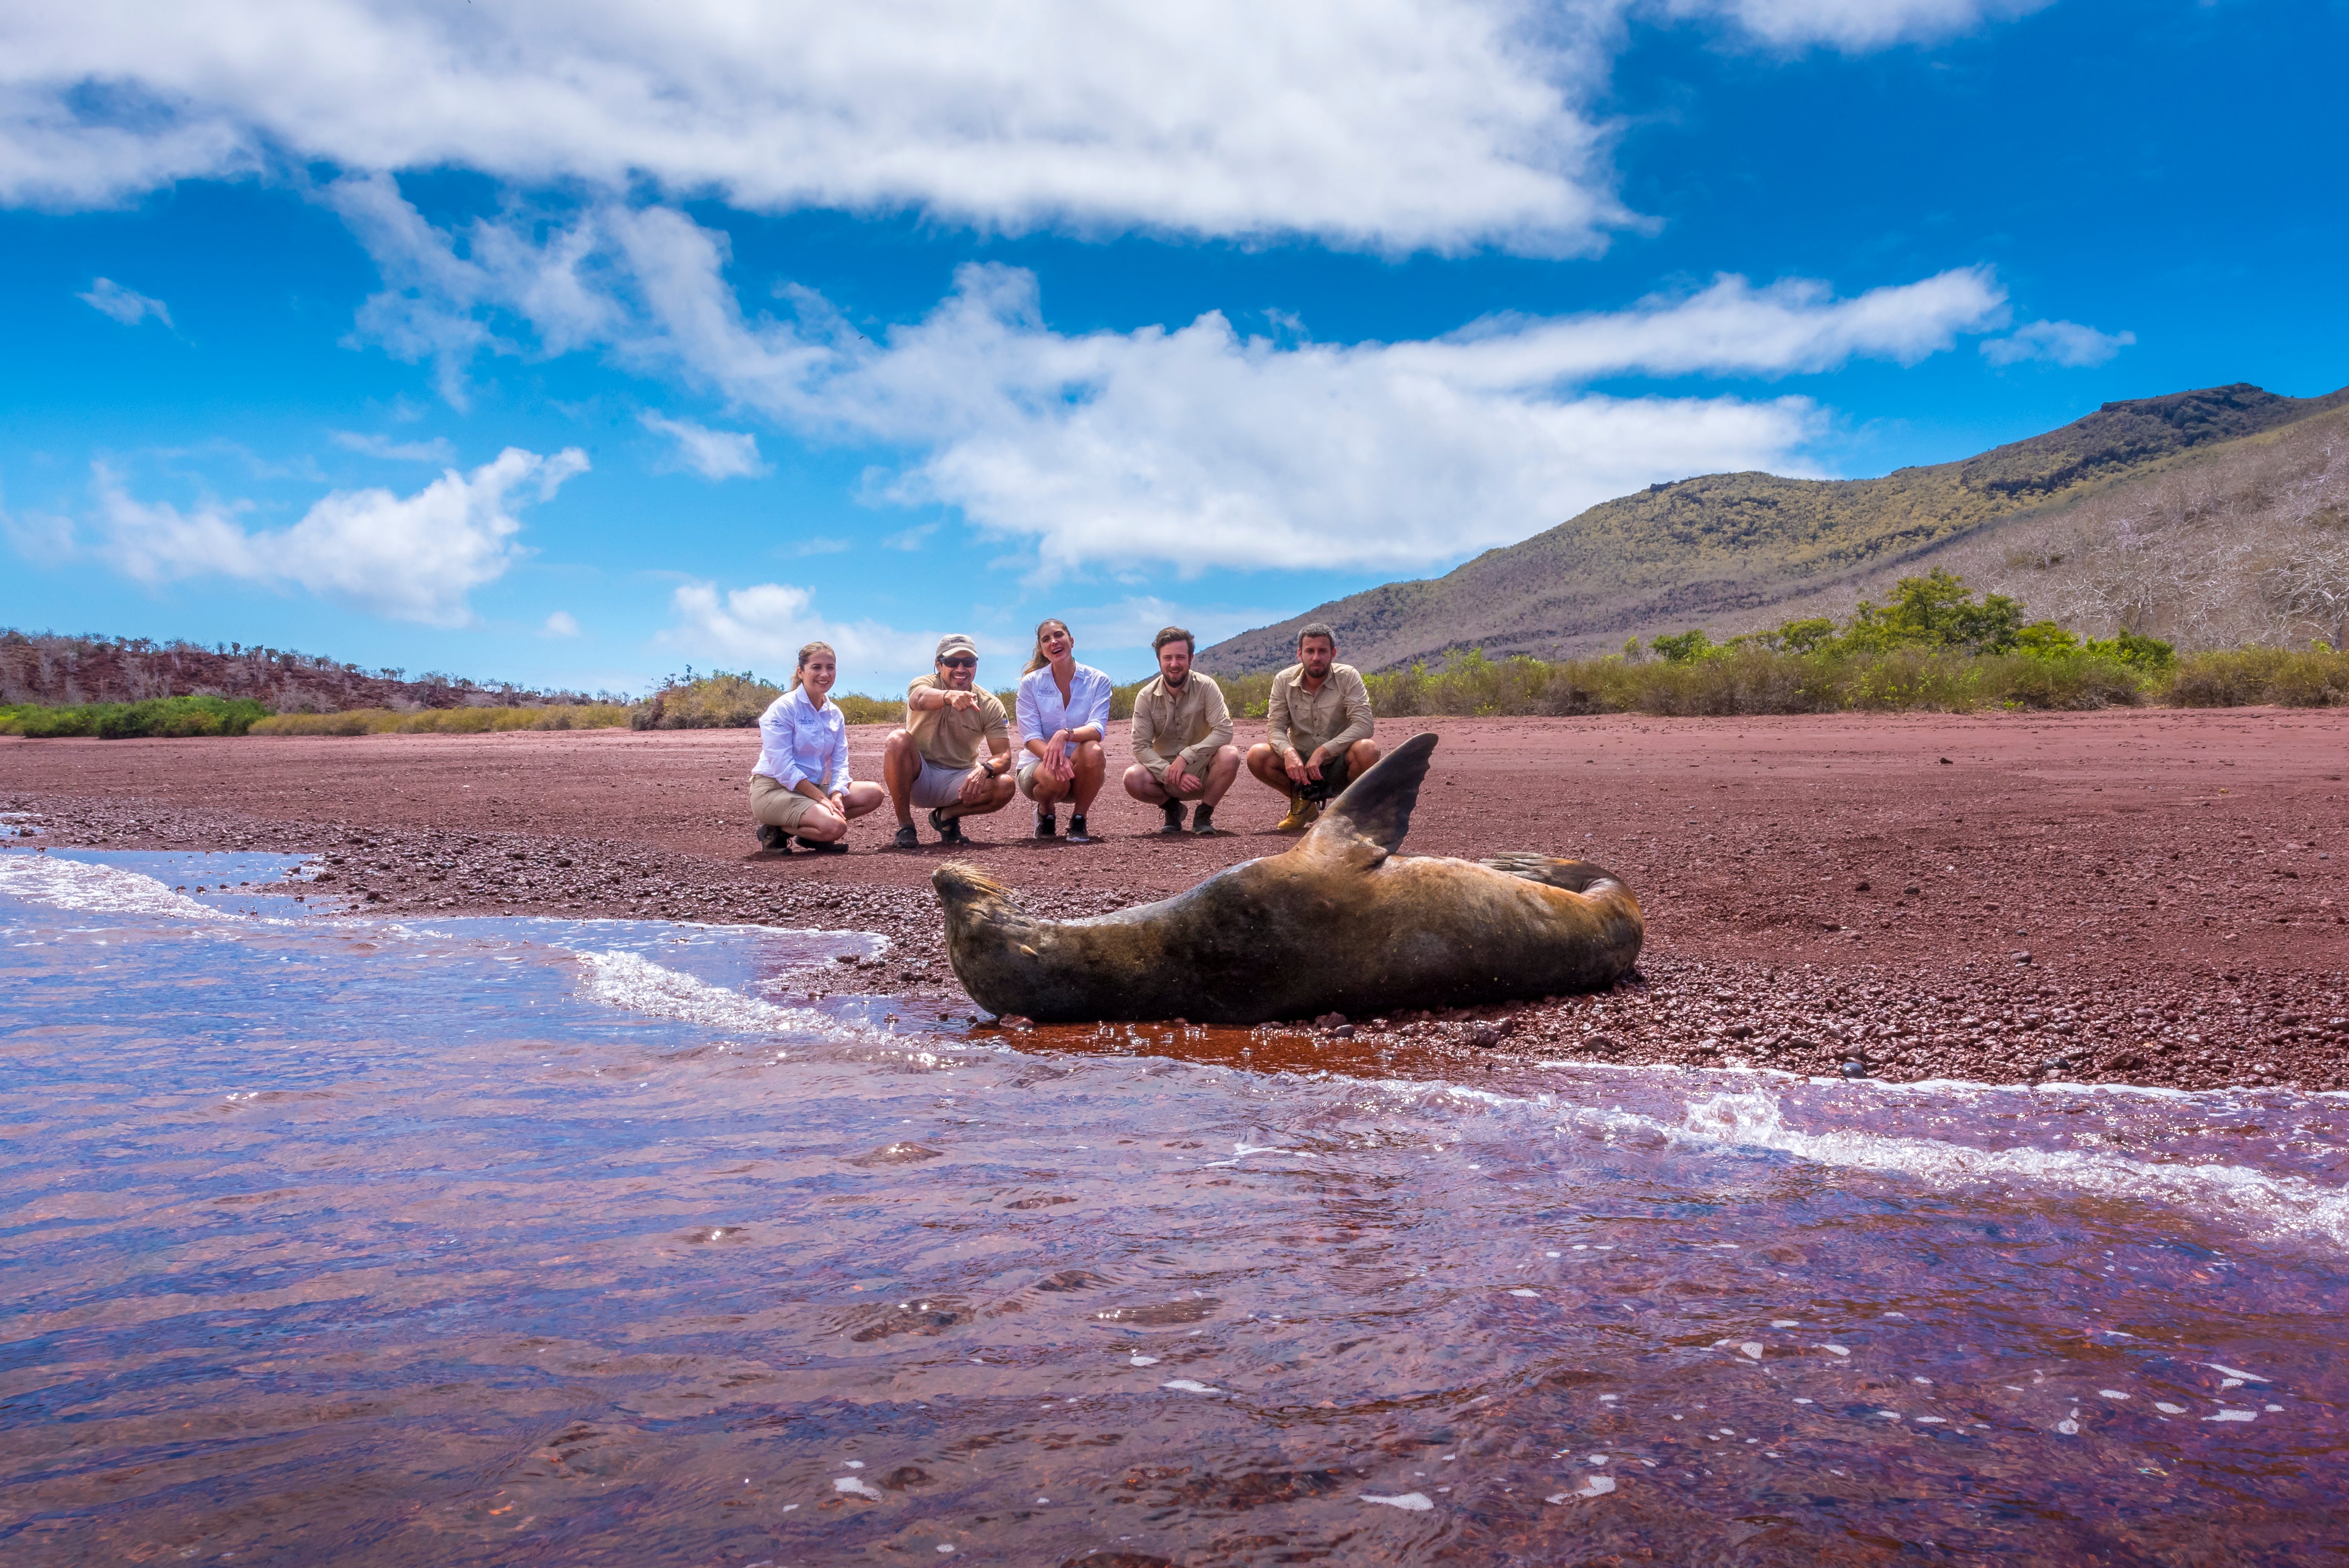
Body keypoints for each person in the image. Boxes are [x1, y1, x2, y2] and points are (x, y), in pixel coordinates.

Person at [749, 640, 886, 854]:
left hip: (808, 791)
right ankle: (776, 830)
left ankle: (811, 835)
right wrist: (822, 799)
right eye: (817, 667)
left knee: (873, 793)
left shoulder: (834, 714)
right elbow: (783, 767)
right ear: (801, 672)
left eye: (830, 668)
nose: (825, 674)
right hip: (773, 790)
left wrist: (837, 793)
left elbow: (841, 763)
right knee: (836, 827)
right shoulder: (784, 708)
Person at [882, 634, 1017, 848]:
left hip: (959, 781)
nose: (961, 668)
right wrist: (948, 697)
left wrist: (985, 769)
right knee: (897, 740)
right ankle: (905, 826)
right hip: (919, 775)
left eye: (969, 662)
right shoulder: (924, 683)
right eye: (953, 662)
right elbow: (918, 699)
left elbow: (1004, 756)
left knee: (1005, 785)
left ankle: (946, 816)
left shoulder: (990, 704)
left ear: (976, 665)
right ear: (939, 664)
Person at [1244, 621, 1381, 831]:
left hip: (1340, 764)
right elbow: (1275, 728)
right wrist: (1288, 752)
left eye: (1323, 651)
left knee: (1368, 750)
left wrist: (1324, 751)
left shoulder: (1349, 677)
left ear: (1333, 653)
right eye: (1310, 651)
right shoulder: (1283, 681)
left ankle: (1349, 812)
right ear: (1300, 654)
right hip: (1299, 769)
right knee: (1257, 755)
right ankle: (1302, 803)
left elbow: (1364, 724)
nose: (1316, 657)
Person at [1122, 626, 1242, 835]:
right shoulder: (1145, 696)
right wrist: (1167, 772)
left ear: (1191, 658)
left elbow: (1224, 731)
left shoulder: (1207, 687)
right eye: (1168, 658)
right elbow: (1141, 746)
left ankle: (1204, 815)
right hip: (1164, 775)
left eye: (1180, 658)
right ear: (1159, 660)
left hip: (1202, 771)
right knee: (1132, 778)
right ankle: (1172, 809)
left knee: (1230, 755)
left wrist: (1187, 756)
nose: (1174, 664)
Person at [1014, 618, 1112, 842]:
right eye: (1046, 639)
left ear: (1072, 641)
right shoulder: (1031, 684)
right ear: (1042, 650)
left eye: (1059, 635)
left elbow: (1097, 728)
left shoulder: (1098, 680)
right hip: (1039, 766)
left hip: (1082, 769)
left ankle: (1079, 819)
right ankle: (1046, 811)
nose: (1054, 642)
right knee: (1055, 778)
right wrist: (1055, 759)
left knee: (1093, 750)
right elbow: (1030, 737)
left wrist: (1065, 734)